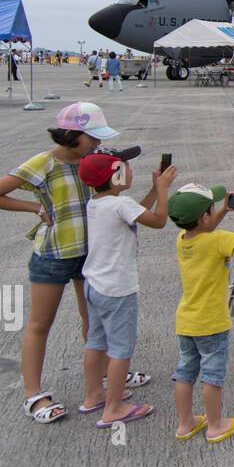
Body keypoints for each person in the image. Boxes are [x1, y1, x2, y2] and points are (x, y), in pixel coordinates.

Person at [0, 102, 144, 424]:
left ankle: (106, 377)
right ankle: (34, 395)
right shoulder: (44, 163)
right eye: (91, 137)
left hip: (88, 255)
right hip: (52, 257)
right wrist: (34, 208)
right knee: (40, 324)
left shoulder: (92, 161)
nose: (96, 143)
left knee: (92, 321)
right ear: (70, 134)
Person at [78, 151, 177, 427]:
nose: (131, 171)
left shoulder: (98, 203)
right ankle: (114, 408)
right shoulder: (120, 205)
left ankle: (94, 395)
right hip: (117, 289)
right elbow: (157, 221)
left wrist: (153, 188)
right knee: (121, 348)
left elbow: (137, 213)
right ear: (116, 176)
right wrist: (163, 190)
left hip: (94, 285)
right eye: (126, 168)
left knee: (96, 342)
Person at [168, 184, 234, 442]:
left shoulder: (182, 241)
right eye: (212, 207)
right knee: (212, 375)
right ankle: (215, 425)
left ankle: (185, 424)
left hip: (186, 321)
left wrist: (222, 210)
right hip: (211, 323)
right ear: (204, 216)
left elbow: (205, 229)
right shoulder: (218, 240)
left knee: (184, 373)